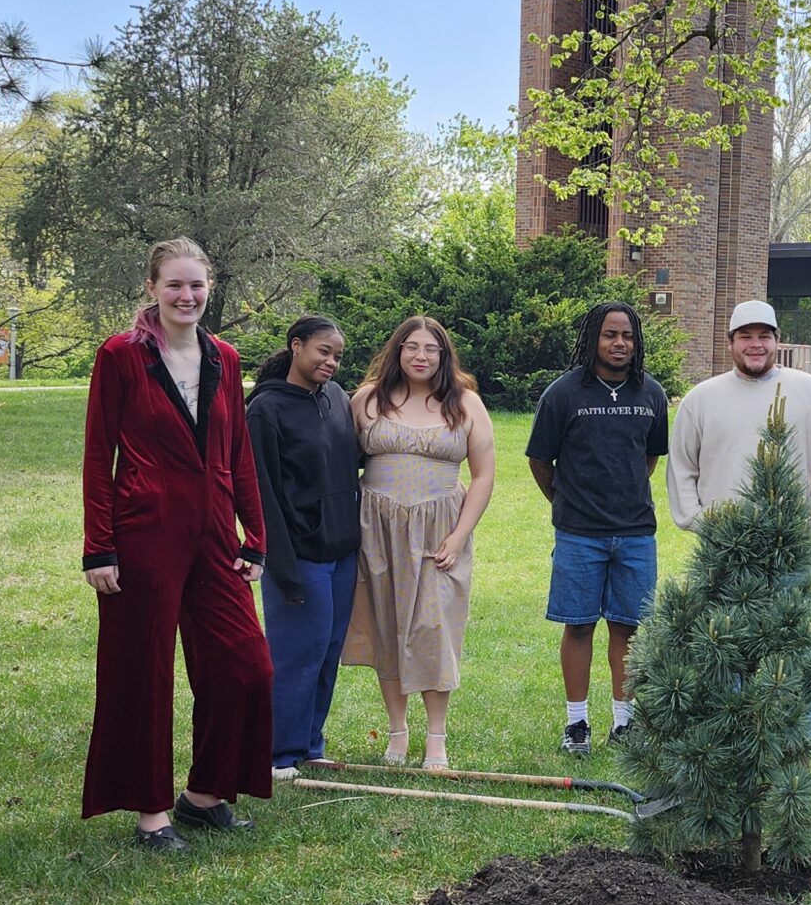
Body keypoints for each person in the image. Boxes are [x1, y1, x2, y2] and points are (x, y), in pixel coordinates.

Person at [79, 237, 275, 852]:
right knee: (143, 671)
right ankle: (150, 814)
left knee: (246, 666)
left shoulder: (227, 358)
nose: (186, 296)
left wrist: (255, 533)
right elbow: (97, 453)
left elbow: (238, 449)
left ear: (209, 289)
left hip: (216, 533)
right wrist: (99, 546)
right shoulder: (121, 356)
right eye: (174, 285)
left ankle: (205, 795)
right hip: (144, 532)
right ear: (152, 289)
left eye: (196, 286)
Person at [342, 316, 496, 769]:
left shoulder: (465, 404)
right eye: (412, 347)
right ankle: (396, 733)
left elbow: (484, 475)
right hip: (377, 530)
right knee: (386, 626)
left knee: (434, 628)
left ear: (444, 356)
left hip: (438, 532)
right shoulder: (366, 400)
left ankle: (436, 739)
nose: (421, 356)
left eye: (431, 349)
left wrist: (459, 534)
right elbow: (337, 463)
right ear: (397, 351)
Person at [527, 301, 671, 755]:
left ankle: (624, 722)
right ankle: (577, 724)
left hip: (635, 534)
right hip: (578, 534)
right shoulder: (563, 394)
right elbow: (539, 461)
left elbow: (648, 459)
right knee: (579, 625)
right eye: (610, 335)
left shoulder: (652, 394)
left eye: (627, 336)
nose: (619, 343)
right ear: (592, 339)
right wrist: (568, 502)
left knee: (628, 628)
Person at [246, 315, 362, 779]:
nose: (331, 362)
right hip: (297, 555)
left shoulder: (337, 399)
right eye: (322, 352)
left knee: (327, 650)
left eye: (336, 355)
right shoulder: (265, 410)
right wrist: (281, 562)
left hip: (342, 552)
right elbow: (261, 493)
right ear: (296, 347)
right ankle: (277, 754)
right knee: (297, 653)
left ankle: (310, 744)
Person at [667, 300, 811, 531]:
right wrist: (699, 521)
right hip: (725, 540)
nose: (755, 344)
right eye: (745, 336)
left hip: (794, 540)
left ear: (777, 340)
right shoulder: (700, 399)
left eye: (764, 336)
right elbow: (682, 467)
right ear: (730, 343)